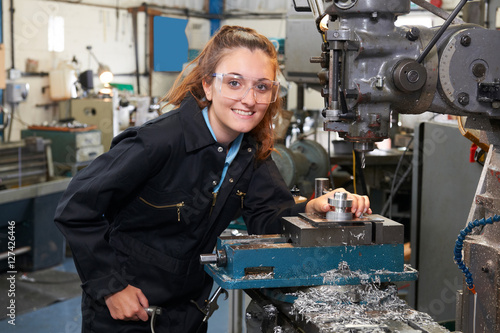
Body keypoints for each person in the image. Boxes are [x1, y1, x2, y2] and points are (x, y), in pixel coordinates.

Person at [54, 25, 371, 333]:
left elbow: (270, 221)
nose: (249, 99)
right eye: (234, 83)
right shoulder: (159, 142)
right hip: (128, 311)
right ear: (208, 85)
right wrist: (111, 288)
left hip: (189, 312)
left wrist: (314, 209)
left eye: (262, 86)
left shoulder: (251, 154)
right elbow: (76, 207)